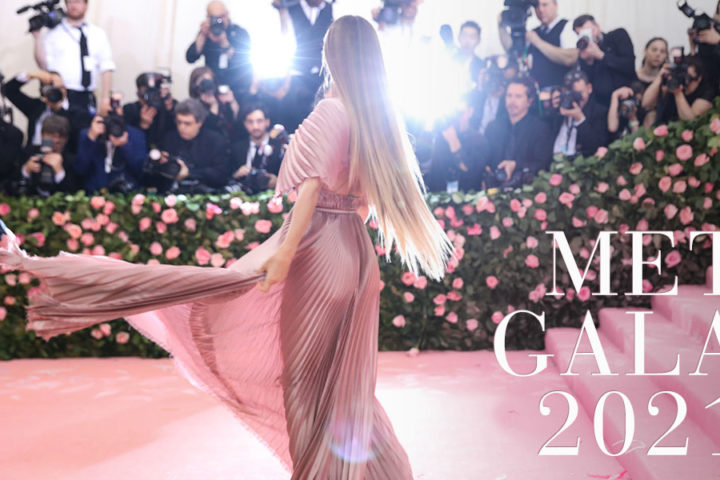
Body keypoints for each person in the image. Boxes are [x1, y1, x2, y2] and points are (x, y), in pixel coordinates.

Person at [1, 15, 451, 479]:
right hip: (355, 255)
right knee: (347, 389)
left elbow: (312, 189)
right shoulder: (377, 119)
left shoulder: (332, 111)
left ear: (330, 56)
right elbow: (363, 203)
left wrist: (285, 253)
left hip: (319, 249)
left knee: (301, 383)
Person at [33, 0, 115, 114]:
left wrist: (106, 98)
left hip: (87, 96)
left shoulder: (98, 33)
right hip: (62, 95)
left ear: (86, 4)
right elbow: (43, 65)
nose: (73, 5)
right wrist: (37, 37)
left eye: (77, 2)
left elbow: (107, 67)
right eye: (70, 2)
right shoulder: (54, 33)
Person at [481, 77, 554, 189]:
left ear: (530, 101)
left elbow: (543, 163)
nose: (512, 101)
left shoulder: (540, 129)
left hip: (527, 190)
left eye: (518, 96)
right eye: (509, 96)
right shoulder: (493, 127)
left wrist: (516, 165)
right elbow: (485, 158)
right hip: (494, 189)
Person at [147, 98, 233, 194]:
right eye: (179, 122)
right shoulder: (169, 138)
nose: (181, 127)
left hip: (205, 194)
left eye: (187, 123)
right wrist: (160, 164)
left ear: (199, 123)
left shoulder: (216, 140)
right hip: (172, 193)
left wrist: (190, 173)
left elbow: (221, 175)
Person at [499, 0, 578, 89]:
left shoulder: (568, 26)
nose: (540, 10)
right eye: (536, 6)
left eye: (545, 5)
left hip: (559, 91)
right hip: (537, 91)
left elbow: (570, 58)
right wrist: (501, 26)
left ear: (555, 5)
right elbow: (512, 50)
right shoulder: (534, 32)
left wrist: (537, 42)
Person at [75, 100, 147, 193]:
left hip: (127, 193)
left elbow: (141, 171)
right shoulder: (88, 134)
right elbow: (80, 170)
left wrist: (125, 146)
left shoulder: (135, 134)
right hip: (94, 194)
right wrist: (91, 139)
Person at [186, 1, 253, 97]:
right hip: (212, 88)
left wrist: (224, 43)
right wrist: (202, 35)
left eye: (221, 17)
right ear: (208, 17)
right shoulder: (206, 34)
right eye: (215, 18)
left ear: (227, 14)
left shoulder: (239, 33)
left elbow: (244, 63)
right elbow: (190, 58)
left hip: (237, 88)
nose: (219, 21)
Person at [572, 14, 637, 107]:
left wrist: (601, 56)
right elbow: (589, 86)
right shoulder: (583, 52)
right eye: (581, 35)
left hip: (627, 96)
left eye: (589, 32)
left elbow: (629, 66)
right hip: (602, 105)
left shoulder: (617, 36)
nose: (588, 36)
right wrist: (588, 62)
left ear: (597, 26)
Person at [229, 104, 286, 194]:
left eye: (259, 121)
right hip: (244, 196)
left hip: (273, 196)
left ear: (267, 122)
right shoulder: (237, 148)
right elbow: (225, 177)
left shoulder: (279, 147)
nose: (255, 126)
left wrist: (277, 181)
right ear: (245, 124)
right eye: (250, 122)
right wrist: (236, 175)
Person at [16, 115, 79, 197]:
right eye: (51, 135)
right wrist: (26, 171)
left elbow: (74, 194)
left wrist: (60, 172)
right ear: (42, 135)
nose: (56, 140)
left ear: (66, 138)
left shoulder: (72, 160)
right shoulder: (29, 153)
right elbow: (12, 187)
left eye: (61, 136)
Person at [551, 71, 609, 159]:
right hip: (555, 160)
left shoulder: (599, 112)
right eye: (572, 93)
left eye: (579, 93)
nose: (575, 98)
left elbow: (596, 147)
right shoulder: (560, 109)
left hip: (579, 162)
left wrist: (580, 119)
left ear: (589, 88)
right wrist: (554, 107)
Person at [642, 55, 715, 125]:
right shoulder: (671, 82)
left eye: (688, 77)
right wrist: (660, 77)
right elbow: (646, 104)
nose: (683, 79)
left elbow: (690, 123)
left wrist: (678, 93)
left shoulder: (706, 93)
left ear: (699, 78)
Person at [123, 72, 177, 150]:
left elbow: (178, 137)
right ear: (138, 94)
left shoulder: (173, 106)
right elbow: (128, 145)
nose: (153, 96)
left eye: (156, 92)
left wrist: (170, 111)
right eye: (148, 93)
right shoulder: (130, 110)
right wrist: (143, 125)